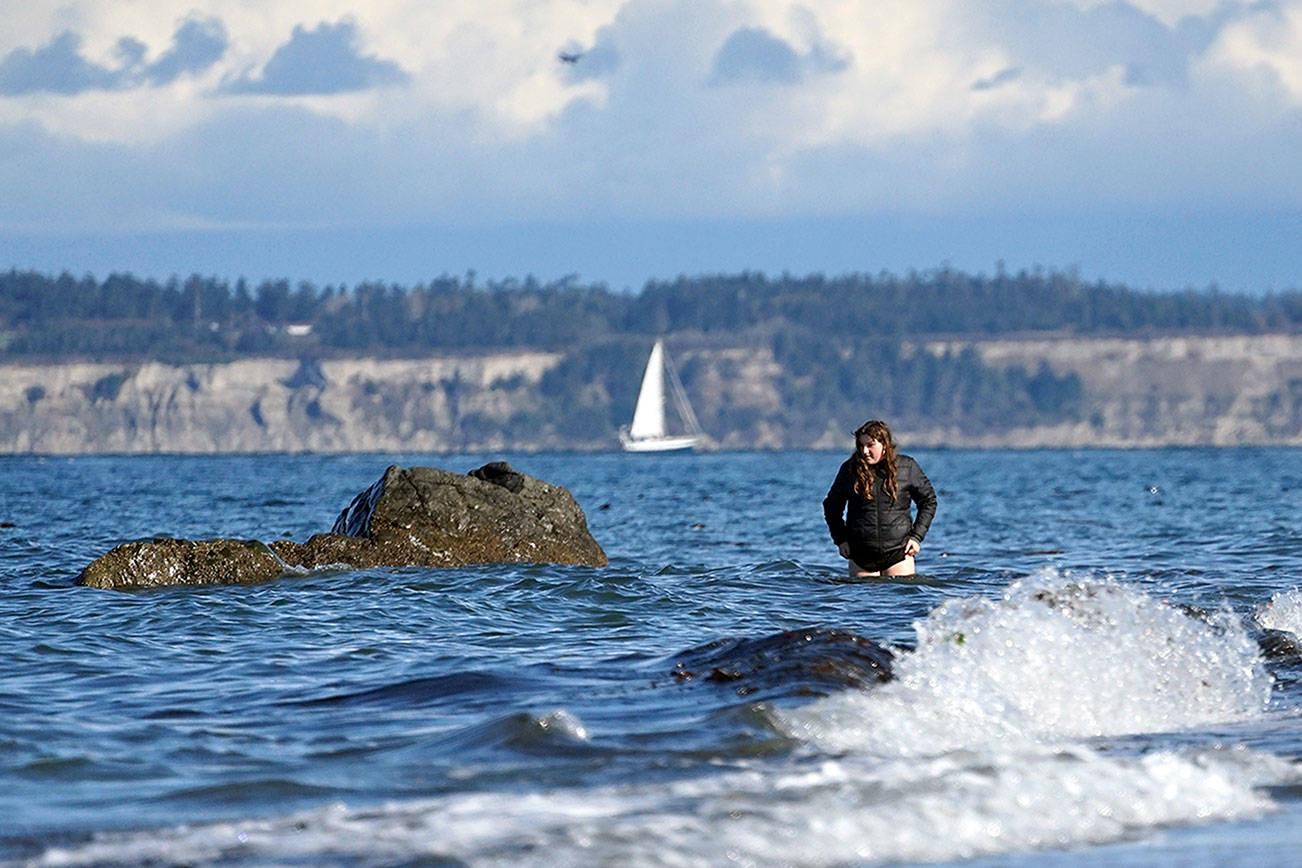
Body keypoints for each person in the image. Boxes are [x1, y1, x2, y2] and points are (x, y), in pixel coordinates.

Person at [823, 419, 937, 577]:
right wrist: (840, 540)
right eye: (861, 445)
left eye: (870, 445)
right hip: (861, 556)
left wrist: (917, 537)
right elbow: (831, 506)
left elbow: (929, 501)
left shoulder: (907, 467)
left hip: (899, 554)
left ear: (884, 444)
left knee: (900, 599)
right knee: (863, 600)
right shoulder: (849, 470)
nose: (865, 451)